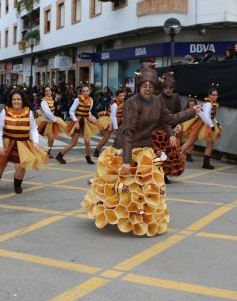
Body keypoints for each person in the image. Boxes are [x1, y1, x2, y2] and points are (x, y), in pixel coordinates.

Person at [82, 64, 200, 236]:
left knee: (146, 183)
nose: (147, 89)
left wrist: (192, 112)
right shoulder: (131, 103)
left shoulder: (158, 102)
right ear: (140, 87)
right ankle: (115, 212)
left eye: (151, 86)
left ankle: (143, 218)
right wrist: (127, 161)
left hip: (145, 146)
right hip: (126, 145)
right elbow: (128, 132)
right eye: (145, 86)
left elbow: (170, 118)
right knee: (122, 180)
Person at [0, 91, 47, 194]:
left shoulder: (29, 113)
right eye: (14, 99)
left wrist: (35, 142)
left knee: (20, 166)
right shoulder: (5, 111)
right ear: (11, 101)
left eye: (18, 99)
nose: (16, 101)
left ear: (22, 101)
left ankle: (17, 185)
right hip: (7, 142)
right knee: (0, 163)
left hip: (23, 143)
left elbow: (33, 129)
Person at [55, 86, 103, 165]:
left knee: (87, 141)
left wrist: (90, 116)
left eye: (87, 91)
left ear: (89, 91)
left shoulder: (91, 100)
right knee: (73, 143)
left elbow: (89, 111)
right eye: (84, 91)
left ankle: (88, 157)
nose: (85, 92)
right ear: (81, 92)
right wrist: (76, 121)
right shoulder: (77, 100)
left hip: (86, 122)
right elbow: (71, 111)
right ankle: (60, 155)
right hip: (78, 121)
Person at [153, 72, 185, 183]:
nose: (168, 90)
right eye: (166, 88)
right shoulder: (158, 98)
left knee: (170, 152)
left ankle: (165, 173)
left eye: (170, 88)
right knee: (160, 152)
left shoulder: (176, 97)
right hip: (158, 128)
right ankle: (161, 174)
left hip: (170, 127)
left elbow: (178, 112)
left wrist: (178, 124)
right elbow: (161, 117)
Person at [180, 88, 222, 169]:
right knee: (193, 142)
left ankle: (176, 157)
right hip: (204, 124)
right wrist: (212, 126)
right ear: (209, 95)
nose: (215, 96)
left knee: (194, 142)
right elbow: (206, 116)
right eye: (213, 95)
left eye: (216, 95)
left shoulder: (212, 104)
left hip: (206, 123)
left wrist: (217, 124)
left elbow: (211, 117)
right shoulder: (208, 104)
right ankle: (176, 157)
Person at [36, 86, 67, 158]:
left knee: (51, 138)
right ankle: (42, 151)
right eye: (46, 91)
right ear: (44, 93)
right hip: (45, 121)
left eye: (49, 90)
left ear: (51, 91)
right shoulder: (44, 101)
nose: (48, 92)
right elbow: (47, 113)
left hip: (51, 120)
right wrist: (55, 120)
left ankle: (47, 152)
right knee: (37, 137)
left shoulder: (51, 100)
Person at [93, 89, 125, 158]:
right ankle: (97, 151)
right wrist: (114, 127)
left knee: (121, 138)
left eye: (123, 95)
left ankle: (118, 152)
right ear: (117, 96)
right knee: (105, 138)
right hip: (111, 121)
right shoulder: (115, 104)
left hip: (119, 121)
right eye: (120, 96)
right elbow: (113, 116)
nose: (122, 97)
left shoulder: (122, 102)